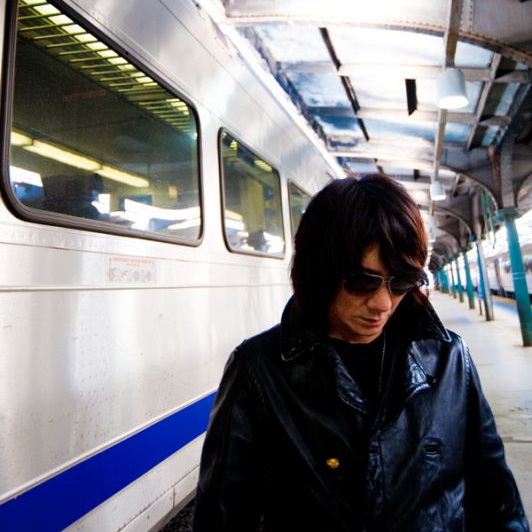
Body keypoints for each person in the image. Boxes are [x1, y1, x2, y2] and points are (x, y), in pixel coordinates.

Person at [193, 174, 529, 532]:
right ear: (320, 271)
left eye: (402, 281)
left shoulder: (449, 359)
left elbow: (497, 501)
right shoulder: (258, 371)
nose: (383, 303)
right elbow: (222, 517)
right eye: (362, 281)